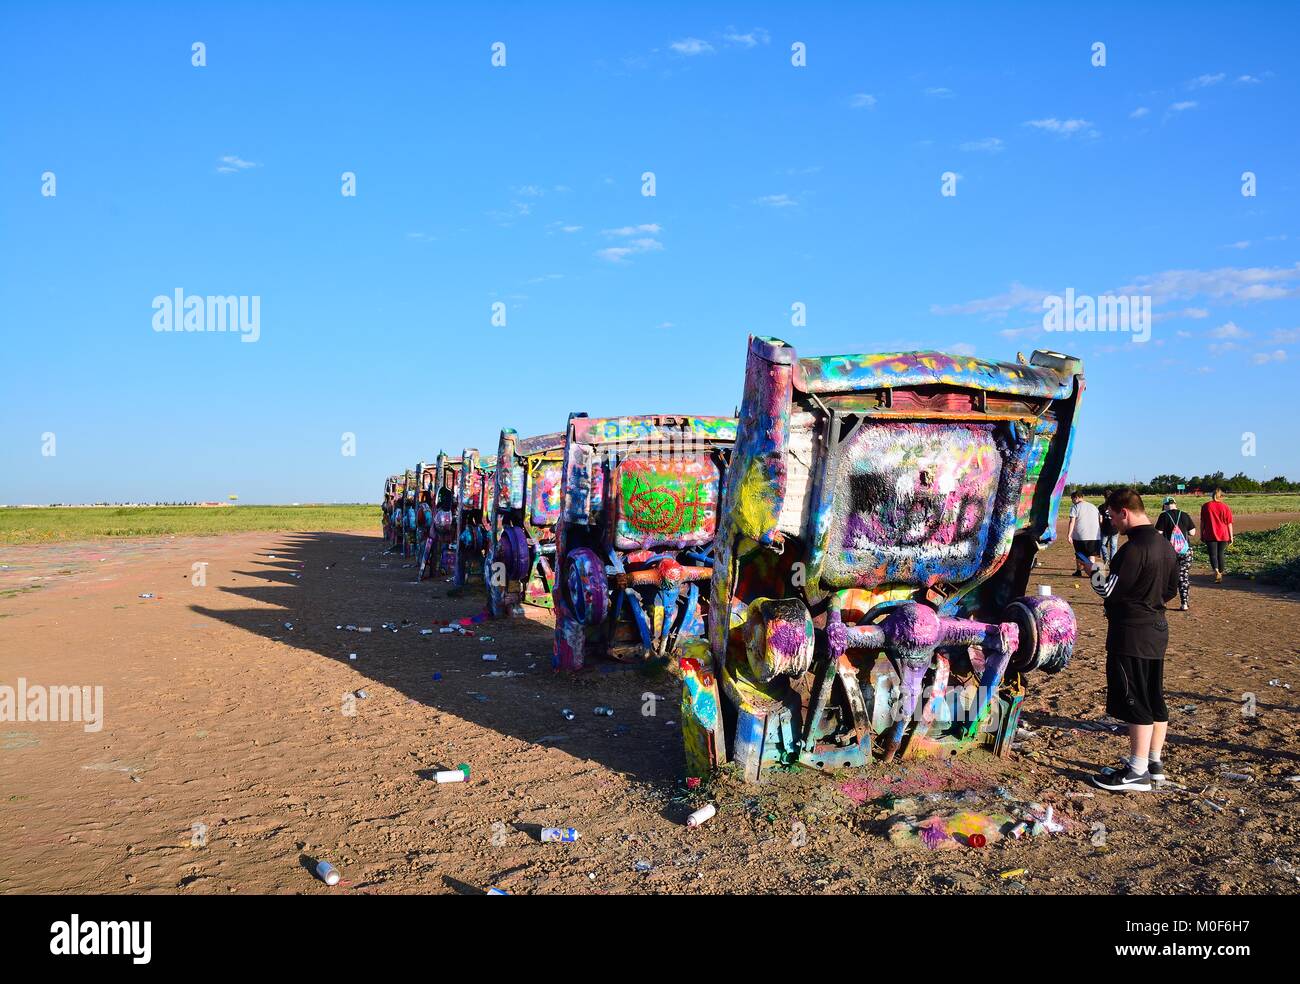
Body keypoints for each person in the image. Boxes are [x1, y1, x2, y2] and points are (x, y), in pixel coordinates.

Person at [1089, 488, 1179, 792]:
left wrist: (1095, 572)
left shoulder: (1131, 549)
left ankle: (1136, 771)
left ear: (1124, 512)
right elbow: (1171, 591)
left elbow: (1108, 590)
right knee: (1154, 696)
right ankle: (1154, 763)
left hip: (1131, 633)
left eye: (1112, 516)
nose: (1112, 522)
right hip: (1156, 630)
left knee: (1135, 699)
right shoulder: (1166, 546)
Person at [1154, 497, 1195, 611]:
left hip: (1169, 551)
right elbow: (1192, 532)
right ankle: (1185, 603)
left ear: (1165, 506)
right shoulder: (1185, 515)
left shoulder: (1164, 516)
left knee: (1166, 576)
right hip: (1186, 551)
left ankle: (1163, 601)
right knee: (1183, 576)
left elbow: (1158, 533)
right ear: (1175, 504)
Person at [1200, 487, 1234, 583]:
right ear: (1221, 496)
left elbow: (1203, 522)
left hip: (1210, 533)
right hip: (1224, 534)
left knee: (1213, 555)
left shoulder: (1206, 506)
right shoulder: (1225, 507)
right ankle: (1221, 572)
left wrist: (1202, 533)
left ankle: (1216, 571)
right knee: (1220, 554)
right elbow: (1229, 523)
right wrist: (1231, 536)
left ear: (1212, 495)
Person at [1067, 491, 1102, 576]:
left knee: (1080, 554)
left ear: (1076, 497)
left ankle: (1079, 571)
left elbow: (1072, 521)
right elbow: (1100, 520)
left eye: (1072, 499)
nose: (1072, 501)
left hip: (1080, 535)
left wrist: (1069, 535)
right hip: (1095, 535)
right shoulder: (1093, 506)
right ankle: (1093, 573)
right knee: (1091, 554)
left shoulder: (1075, 507)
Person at [1099, 489, 1119, 563]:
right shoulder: (1116, 507)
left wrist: (1101, 528)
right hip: (1115, 529)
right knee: (1113, 546)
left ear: (1104, 497)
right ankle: (1113, 561)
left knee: (1102, 544)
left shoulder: (1101, 507)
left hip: (1105, 529)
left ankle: (1106, 557)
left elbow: (1100, 520)